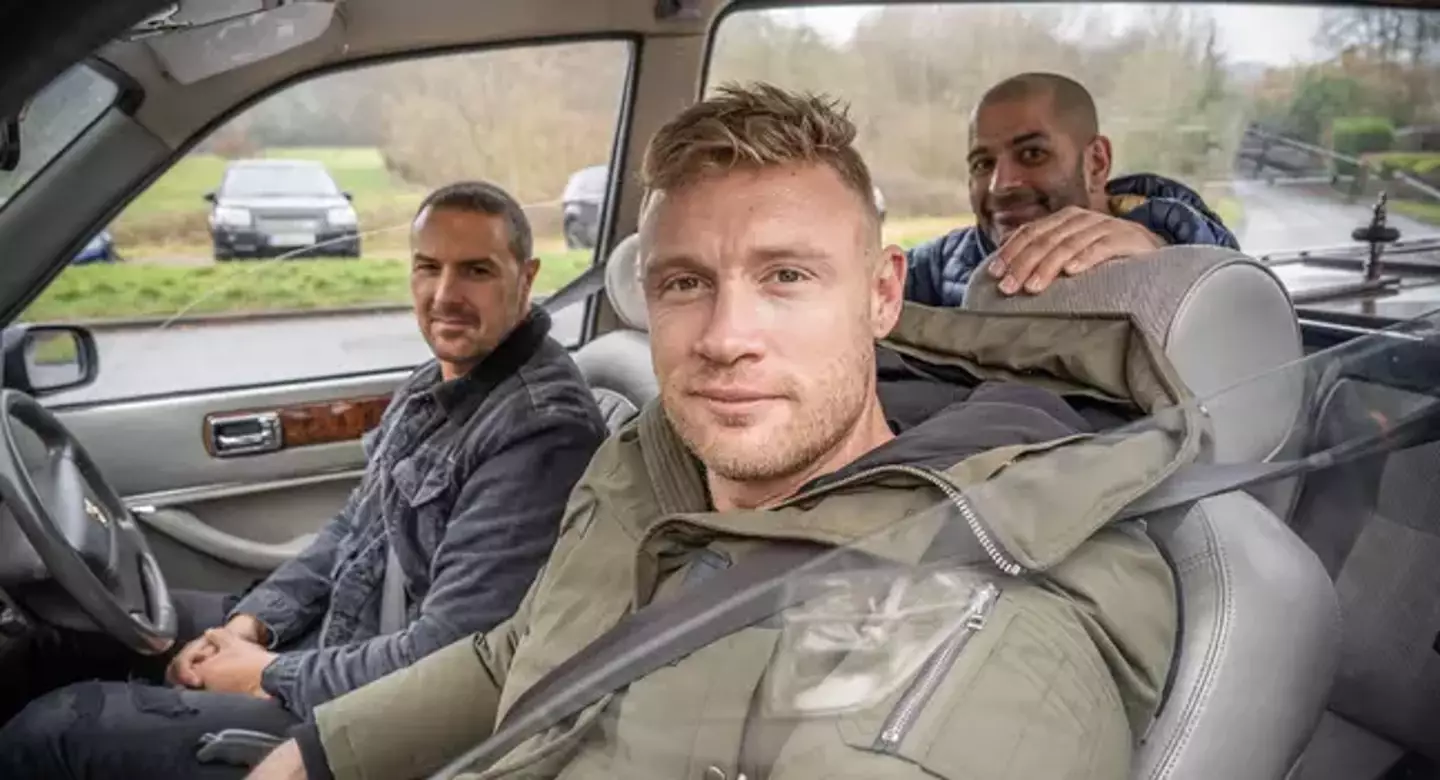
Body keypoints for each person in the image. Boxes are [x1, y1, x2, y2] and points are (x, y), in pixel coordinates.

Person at [249, 83, 1177, 780]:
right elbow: (521, 652)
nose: (727, 341)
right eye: (686, 284)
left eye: (787, 278)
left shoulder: (992, 598)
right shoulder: (649, 455)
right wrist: (315, 753)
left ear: (885, 293)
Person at [0, 181, 609, 778]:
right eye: (428, 267)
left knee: (49, 733)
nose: (444, 293)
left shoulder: (540, 433)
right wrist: (249, 625)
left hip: (365, 719)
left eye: (476, 271)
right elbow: (351, 533)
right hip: (331, 638)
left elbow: (447, 663)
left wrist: (262, 674)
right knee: (64, 637)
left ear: (525, 279)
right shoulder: (439, 382)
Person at [906, 71, 1240, 306]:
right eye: (982, 163)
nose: (1001, 185)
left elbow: (1242, 316)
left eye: (1032, 154)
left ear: (1096, 162)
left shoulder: (1170, 248)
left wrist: (1168, 264)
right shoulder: (948, 262)